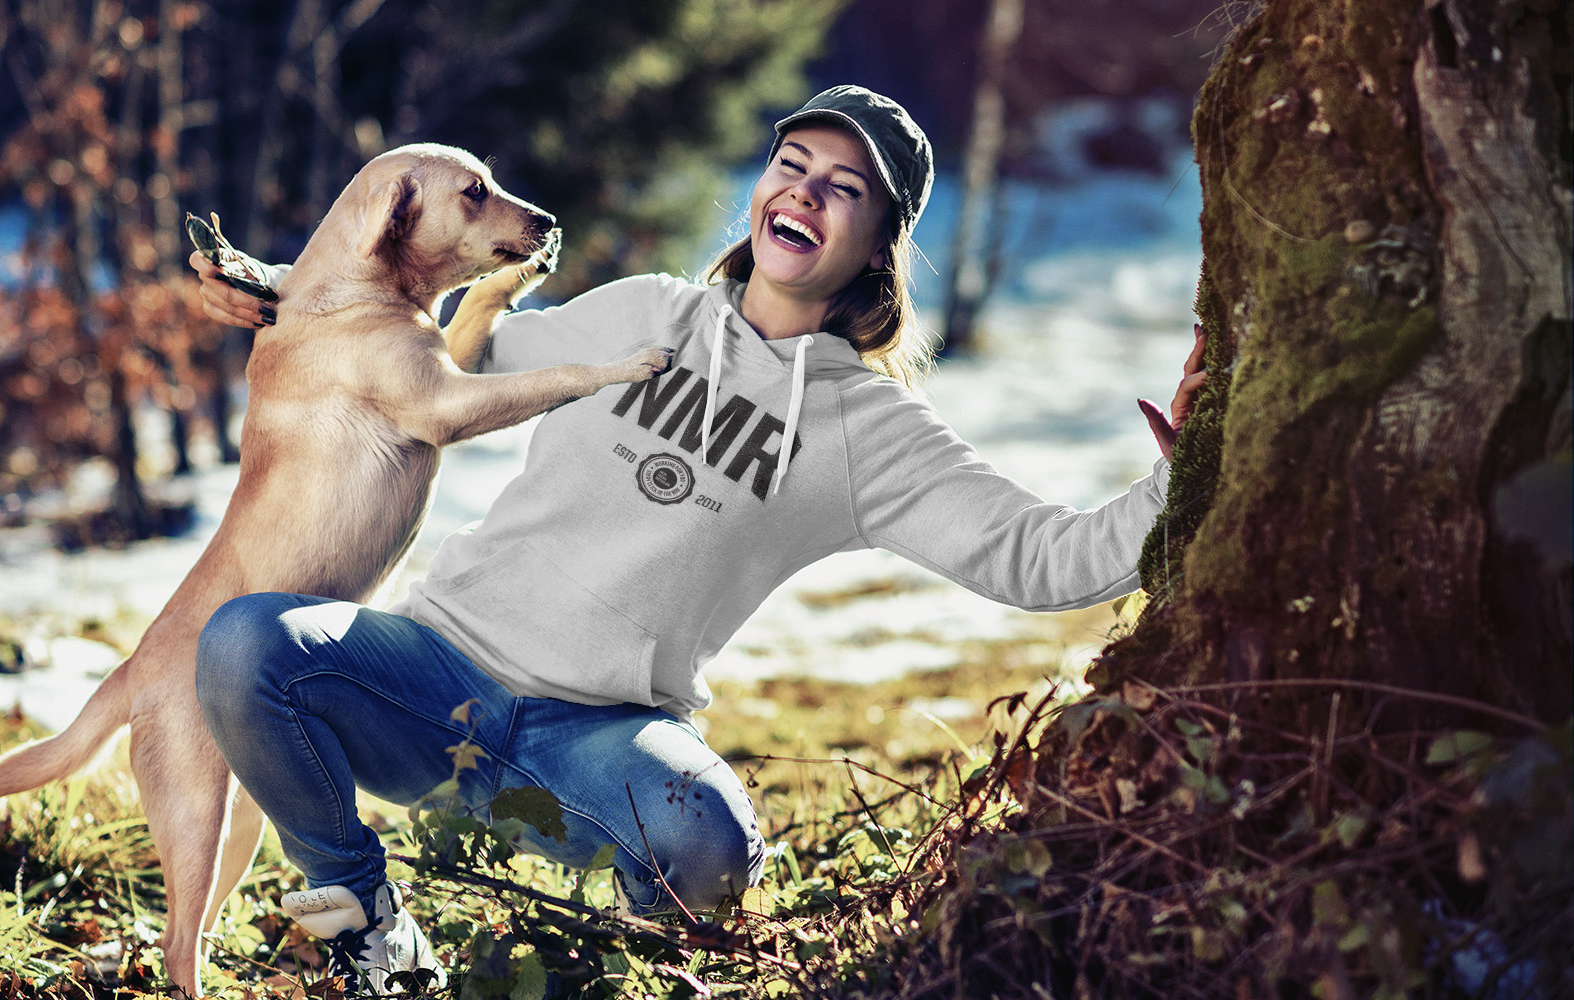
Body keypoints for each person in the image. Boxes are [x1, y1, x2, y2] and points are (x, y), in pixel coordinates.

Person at [191, 85, 1206, 994]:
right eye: (792, 168)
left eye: (843, 188)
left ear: (881, 239)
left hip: (593, 743)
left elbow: (1043, 559)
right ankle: (370, 923)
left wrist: (1184, 470)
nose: (803, 195)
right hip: (428, 682)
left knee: (709, 833)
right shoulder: (645, 308)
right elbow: (443, 348)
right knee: (246, 645)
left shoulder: (865, 431)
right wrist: (286, 294)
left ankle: (611, 964)